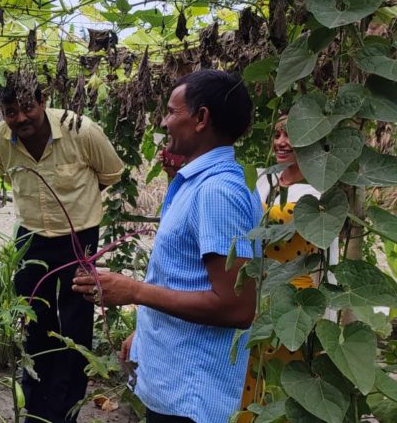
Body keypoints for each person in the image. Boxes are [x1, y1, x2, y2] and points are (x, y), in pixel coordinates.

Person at [72, 70, 262, 423]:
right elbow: (186, 277)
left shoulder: (217, 192)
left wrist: (133, 291)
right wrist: (144, 331)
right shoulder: (200, 182)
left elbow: (236, 308)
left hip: (192, 396)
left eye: (172, 112)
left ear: (201, 118)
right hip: (174, 380)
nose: (164, 122)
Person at [0, 78, 125, 423]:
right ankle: (37, 409)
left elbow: (111, 173)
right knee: (35, 323)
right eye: (10, 112)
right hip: (31, 239)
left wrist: (79, 203)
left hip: (79, 238)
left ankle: (67, 412)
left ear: (43, 100)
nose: (20, 118)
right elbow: (7, 176)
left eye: (27, 107)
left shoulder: (81, 131)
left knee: (76, 326)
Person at [237, 114, 338, 422]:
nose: (281, 142)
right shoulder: (262, 181)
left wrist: (328, 318)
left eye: (290, 135)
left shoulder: (320, 193)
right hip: (256, 294)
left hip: (297, 301)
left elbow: (329, 258)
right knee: (251, 379)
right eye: (278, 134)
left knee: (285, 381)